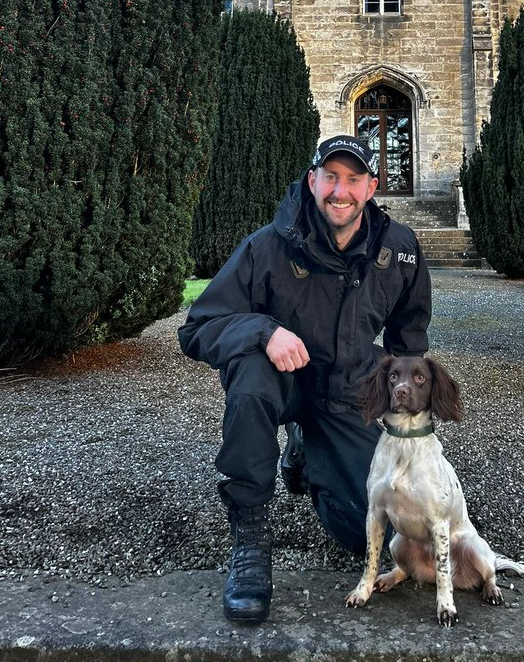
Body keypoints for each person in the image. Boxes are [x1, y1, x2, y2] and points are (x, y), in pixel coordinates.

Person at [179, 134, 431, 624]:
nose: (341, 191)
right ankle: (250, 538)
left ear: (371, 187)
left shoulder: (398, 249)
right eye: (331, 177)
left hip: (348, 391)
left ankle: (308, 452)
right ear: (312, 180)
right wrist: (263, 329)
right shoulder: (267, 246)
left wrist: (411, 448)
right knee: (250, 376)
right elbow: (196, 329)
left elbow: (409, 343)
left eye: (353, 179)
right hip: (283, 380)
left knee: (370, 535)